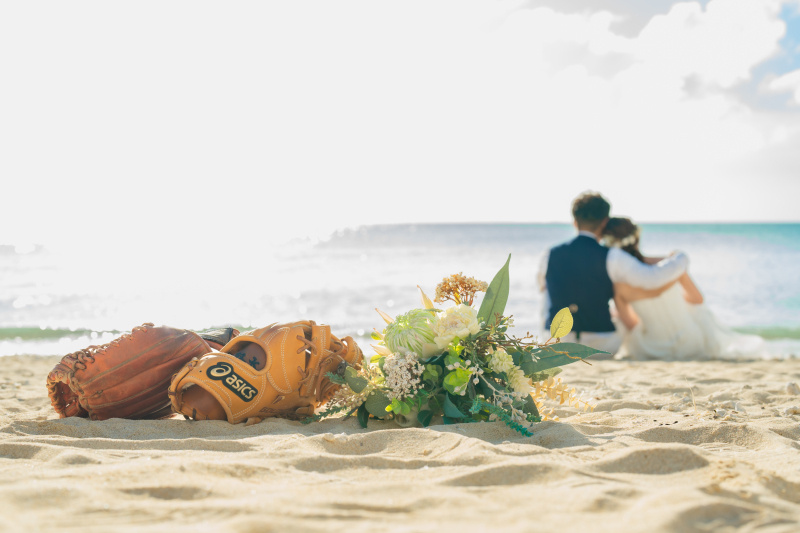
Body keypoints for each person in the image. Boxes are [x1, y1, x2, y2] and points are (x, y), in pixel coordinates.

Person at [537, 192, 688, 354]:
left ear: (574, 222)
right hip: (601, 342)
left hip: (556, 341)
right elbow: (652, 279)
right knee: (620, 319)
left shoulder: (549, 254)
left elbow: (542, 287)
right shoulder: (613, 256)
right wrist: (680, 257)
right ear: (604, 222)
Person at [603, 217, 766, 360]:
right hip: (691, 341)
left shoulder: (619, 286)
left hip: (653, 347)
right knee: (696, 311)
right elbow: (697, 299)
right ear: (637, 238)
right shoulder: (671, 266)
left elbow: (632, 325)